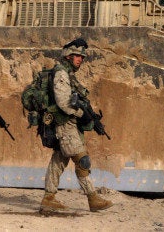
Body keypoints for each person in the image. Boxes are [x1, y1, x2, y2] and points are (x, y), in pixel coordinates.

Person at [39, 38, 112, 212]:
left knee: (58, 161)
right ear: (68, 56)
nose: (80, 59)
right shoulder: (62, 74)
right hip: (64, 123)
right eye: (76, 56)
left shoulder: (69, 74)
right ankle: (92, 198)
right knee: (82, 159)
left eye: (82, 57)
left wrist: (91, 118)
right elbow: (64, 103)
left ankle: (48, 198)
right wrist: (82, 115)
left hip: (68, 123)